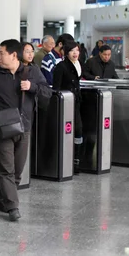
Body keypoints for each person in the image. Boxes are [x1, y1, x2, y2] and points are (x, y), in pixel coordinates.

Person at [0, 39, 51, 222]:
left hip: (24, 128)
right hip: (3, 127)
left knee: (17, 172)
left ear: (14, 55)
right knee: (6, 169)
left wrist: (32, 87)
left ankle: (4, 200)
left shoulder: (32, 72)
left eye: (1, 53)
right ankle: (13, 207)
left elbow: (47, 93)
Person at [52, 40, 83, 174]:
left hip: (76, 102)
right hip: (65, 104)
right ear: (66, 52)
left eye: (77, 50)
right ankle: (66, 160)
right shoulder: (61, 66)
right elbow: (56, 88)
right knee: (70, 130)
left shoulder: (78, 65)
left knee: (78, 131)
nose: (75, 53)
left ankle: (76, 159)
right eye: (72, 50)